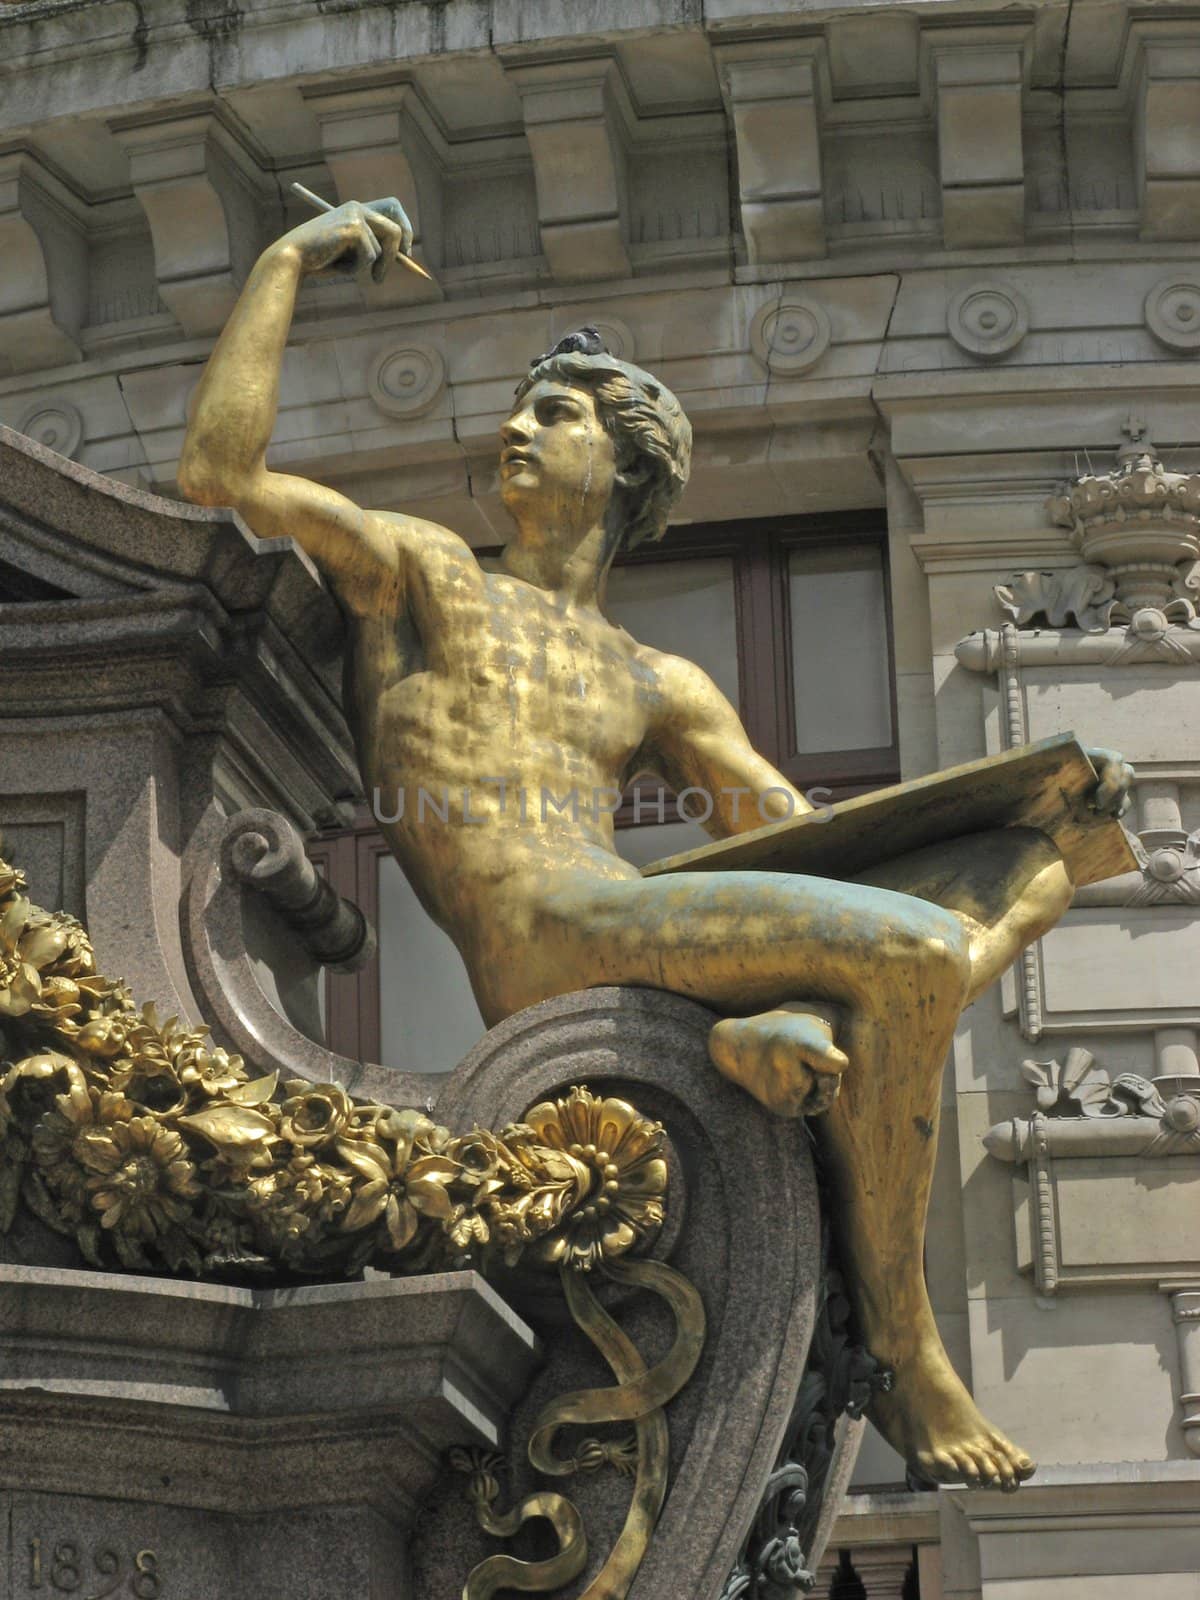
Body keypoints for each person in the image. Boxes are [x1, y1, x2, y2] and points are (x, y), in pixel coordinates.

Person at [179, 198, 1134, 1491]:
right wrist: (288, 258)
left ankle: (780, 1026)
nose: (517, 426)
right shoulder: (420, 570)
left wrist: (1023, 807)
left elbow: (797, 836)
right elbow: (221, 478)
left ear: (625, 466)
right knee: (912, 950)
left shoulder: (653, 678)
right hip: (542, 939)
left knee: (1033, 866)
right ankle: (906, 1342)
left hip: (626, 918)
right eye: (523, 408)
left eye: (556, 411)